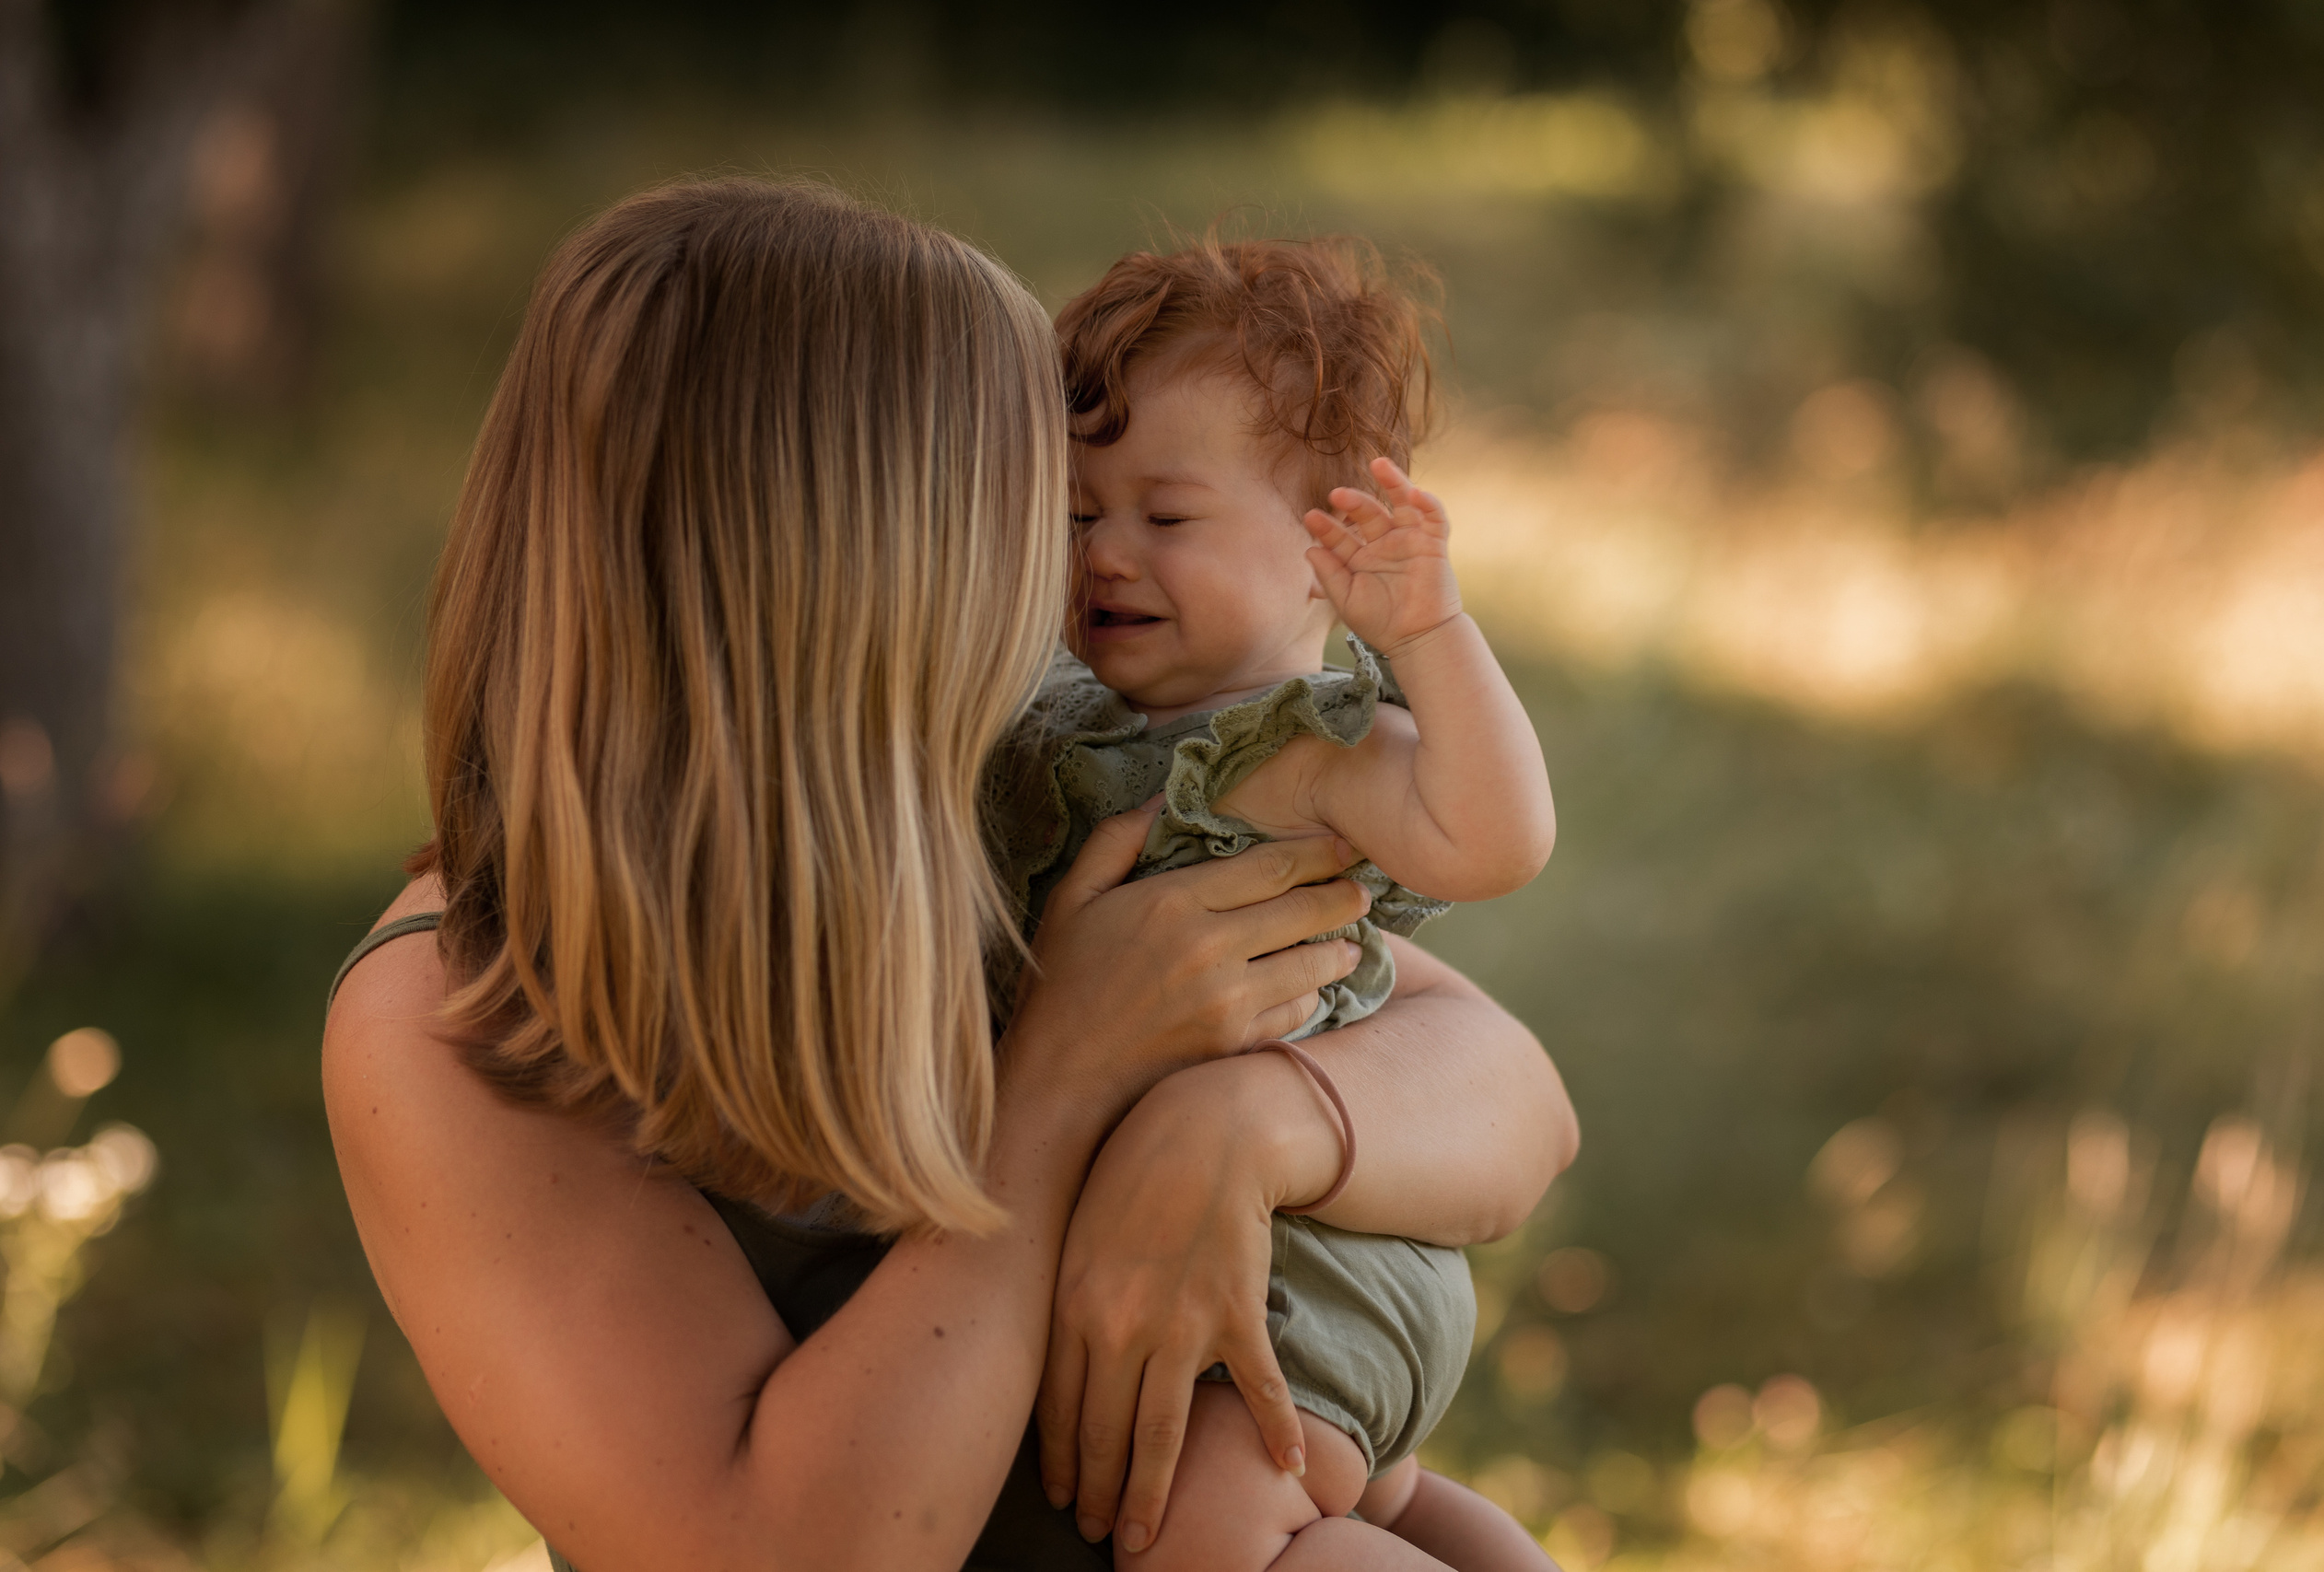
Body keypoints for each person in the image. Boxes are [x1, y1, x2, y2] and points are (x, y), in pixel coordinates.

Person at [321, 178, 1579, 1572]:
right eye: (1043, 503)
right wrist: (1057, 1089)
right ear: (847, 552)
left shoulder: (968, 787)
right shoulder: (461, 1000)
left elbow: (1506, 1084)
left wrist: (1239, 1124)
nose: (1079, 560)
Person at [979, 237, 1557, 1571]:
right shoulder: (1068, 722)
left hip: (1304, 1260)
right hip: (1213, 1244)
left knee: (1193, 1527)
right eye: (1079, 515)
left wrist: (1428, 632)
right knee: (1388, 1505)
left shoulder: (1305, 746)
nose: (1109, 554)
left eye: (1166, 519)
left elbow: (1496, 842)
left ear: (1323, 550)